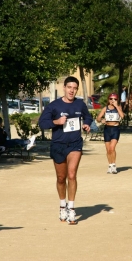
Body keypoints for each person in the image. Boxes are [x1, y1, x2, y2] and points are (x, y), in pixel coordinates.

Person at [38, 76, 93, 225]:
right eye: (69, 87)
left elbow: (88, 117)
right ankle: (62, 206)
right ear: (64, 88)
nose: (72, 91)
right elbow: (42, 123)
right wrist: (56, 121)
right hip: (58, 145)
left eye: (75, 88)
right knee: (61, 178)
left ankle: (72, 208)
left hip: (75, 144)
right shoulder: (54, 106)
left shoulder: (80, 104)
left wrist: (87, 124)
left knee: (72, 174)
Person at [96, 93, 124, 173]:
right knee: (108, 150)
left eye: (115, 99)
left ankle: (114, 165)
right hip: (107, 129)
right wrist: (101, 120)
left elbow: (122, 116)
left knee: (112, 148)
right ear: (108, 100)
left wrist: (117, 107)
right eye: (111, 99)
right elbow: (98, 118)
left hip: (115, 129)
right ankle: (110, 165)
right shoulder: (105, 108)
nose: (113, 101)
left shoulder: (118, 108)